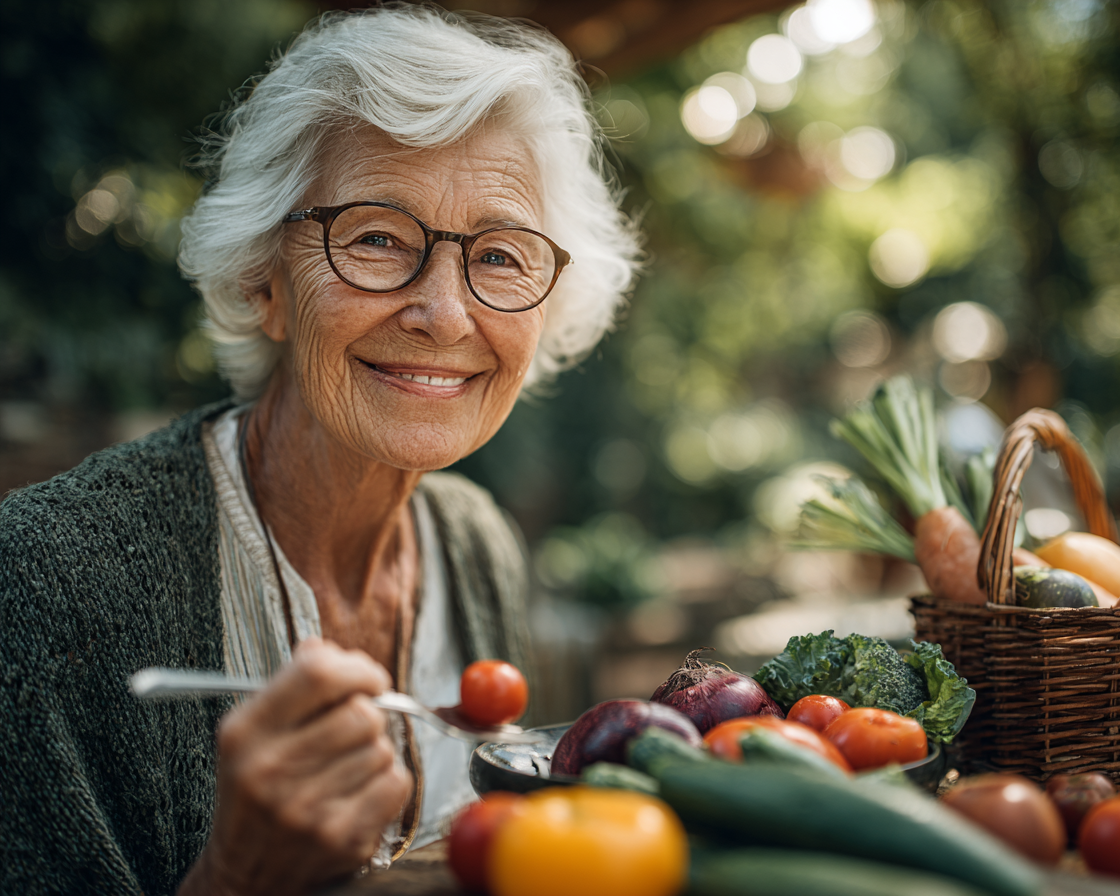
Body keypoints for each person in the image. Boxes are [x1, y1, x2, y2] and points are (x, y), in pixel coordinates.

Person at [0, 7, 640, 895]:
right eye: (377, 237)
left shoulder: (476, 542)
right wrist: (233, 879)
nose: (445, 314)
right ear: (264, 280)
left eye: (499, 256)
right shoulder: (39, 582)